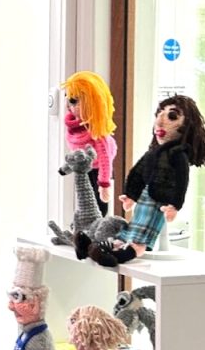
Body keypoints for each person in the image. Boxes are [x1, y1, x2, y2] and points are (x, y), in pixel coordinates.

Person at [87, 94, 205, 266]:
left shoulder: (178, 155)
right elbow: (138, 173)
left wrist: (175, 205)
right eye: (159, 114)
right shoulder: (154, 153)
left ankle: (128, 253)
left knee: (144, 233)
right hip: (145, 195)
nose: (160, 122)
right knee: (136, 224)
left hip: (160, 201)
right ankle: (115, 246)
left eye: (172, 116)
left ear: (186, 125)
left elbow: (182, 182)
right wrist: (131, 194)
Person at [5, 246, 56, 350]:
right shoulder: (25, 333)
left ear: (37, 303)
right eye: (12, 297)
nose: (11, 307)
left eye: (19, 298)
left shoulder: (41, 344)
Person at [62, 71, 117, 216]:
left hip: (99, 170)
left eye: (73, 100)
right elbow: (76, 154)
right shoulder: (74, 127)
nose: (68, 104)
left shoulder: (96, 132)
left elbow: (105, 159)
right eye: (67, 98)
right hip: (85, 168)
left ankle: (98, 226)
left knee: (99, 205)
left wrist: (104, 184)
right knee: (84, 200)